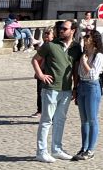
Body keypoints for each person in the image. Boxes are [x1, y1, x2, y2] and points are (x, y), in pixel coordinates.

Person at [32, 20, 80, 163]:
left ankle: (57, 149)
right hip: (50, 89)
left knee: (60, 120)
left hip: (66, 90)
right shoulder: (50, 45)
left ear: (73, 31)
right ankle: (41, 152)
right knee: (46, 121)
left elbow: (75, 70)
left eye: (65, 29)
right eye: (60, 28)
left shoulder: (76, 48)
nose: (61, 31)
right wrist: (41, 75)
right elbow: (35, 60)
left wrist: (75, 87)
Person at [73, 28, 103, 161]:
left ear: (94, 40)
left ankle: (91, 149)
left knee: (92, 119)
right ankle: (84, 147)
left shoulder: (98, 56)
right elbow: (80, 73)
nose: (85, 39)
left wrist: (84, 61)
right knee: (84, 120)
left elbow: (92, 74)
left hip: (92, 87)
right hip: (82, 86)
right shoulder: (85, 54)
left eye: (88, 37)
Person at [34, 26, 54, 116]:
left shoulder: (53, 46)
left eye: (48, 33)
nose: (45, 35)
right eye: (44, 33)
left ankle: (48, 112)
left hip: (50, 71)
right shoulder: (42, 45)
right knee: (40, 91)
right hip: (41, 71)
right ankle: (40, 110)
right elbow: (37, 60)